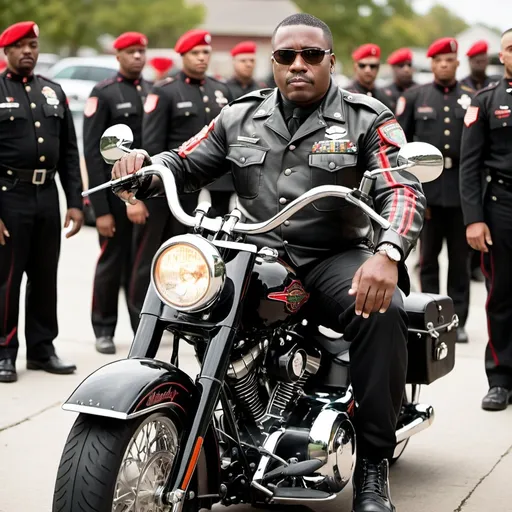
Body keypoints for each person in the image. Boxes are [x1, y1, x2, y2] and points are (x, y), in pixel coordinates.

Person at [112, 13, 426, 512]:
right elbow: (186, 159)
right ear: (273, 62)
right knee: (191, 296)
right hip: (257, 254)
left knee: (383, 312)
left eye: (310, 55)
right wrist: (145, 169)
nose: (297, 65)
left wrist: (388, 251)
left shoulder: (367, 118)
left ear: (330, 60)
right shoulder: (240, 116)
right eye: (285, 56)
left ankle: (373, 463)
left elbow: (402, 188)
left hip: (332, 257)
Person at [129, 29, 233, 324]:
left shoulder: (220, 90)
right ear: (183, 56)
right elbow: (152, 145)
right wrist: (146, 187)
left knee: (189, 257)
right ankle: (141, 320)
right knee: (151, 255)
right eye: (195, 53)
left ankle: (178, 314)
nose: (202, 58)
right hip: (168, 189)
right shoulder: (165, 90)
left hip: (206, 190)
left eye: (205, 53)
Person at [0, 21, 83, 382]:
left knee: (45, 277)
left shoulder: (53, 91)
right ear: (6, 52)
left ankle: (42, 349)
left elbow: (68, 151)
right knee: (7, 279)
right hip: (8, 197)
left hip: (46, 196)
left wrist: (76, 202)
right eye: (20, 46)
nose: (28, 51)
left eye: (33, 45)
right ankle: (4, 351)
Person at [396, 37, 472, 344]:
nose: (444, 64)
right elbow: (401, 146)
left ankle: (458, 319)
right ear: (431, 64)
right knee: (427, 259)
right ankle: (428, 314)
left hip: (460, 190)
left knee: (460, 259)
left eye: (449, 60)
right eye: (439, 60)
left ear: (456, 63)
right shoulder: (415, 96)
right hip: (426, 188)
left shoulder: (471, 96)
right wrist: (412, 191)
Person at [83, 31, 152, 354]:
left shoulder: (152, 91)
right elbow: (94, 153)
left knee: (141, 265)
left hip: (146, 195)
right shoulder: (105, 93)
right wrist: (102, 210)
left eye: (142, 51)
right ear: (118, 56)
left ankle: (142, 327)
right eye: (131, 52)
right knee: (111, 263)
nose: (138, 57)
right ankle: (104, 328)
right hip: (113, 197)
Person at [460, 28, 512, 411]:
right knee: (502, 296)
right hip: (502, 206)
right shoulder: (486, 100)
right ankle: (500, 379)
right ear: (502, 56)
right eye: (511, 48)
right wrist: (474, 219)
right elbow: (470, 165)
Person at [346, 43, 394, 109]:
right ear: (355, 67)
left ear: (378, 68)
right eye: (362, 65)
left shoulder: (385, 96)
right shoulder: (345, 95)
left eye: (373, 66)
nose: (368, 70)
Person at [383, 48, 417, 113]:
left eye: (409, 65)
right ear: (393, 68)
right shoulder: (384, 93)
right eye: (401, 66)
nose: (406, 69)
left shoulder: (421, 92)